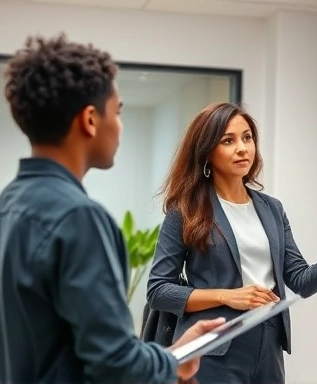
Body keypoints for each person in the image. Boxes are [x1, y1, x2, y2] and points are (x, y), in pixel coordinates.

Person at [0, 34, 225, 384]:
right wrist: (172, 363)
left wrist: (167, 356)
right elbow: (114, 364)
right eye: (117, 112)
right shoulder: (79, 219)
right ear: (90, 120)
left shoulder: (8, 206)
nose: (118, 127)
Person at [146, 102, 317, 384]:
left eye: (247, 138)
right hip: (213, 350)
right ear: (207, 152)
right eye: (228, 141)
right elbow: (159, 290)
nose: (242, 148)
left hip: (269, 347)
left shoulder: (272, 209)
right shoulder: (186, 211)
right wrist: (228, 295)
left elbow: (302, 280)